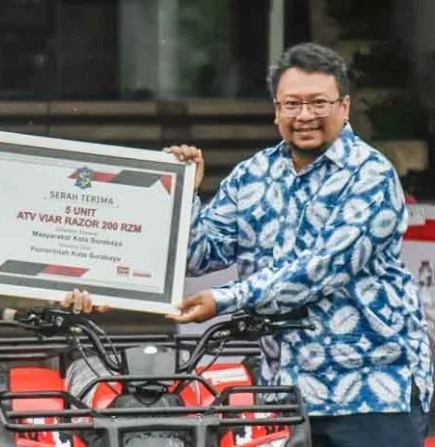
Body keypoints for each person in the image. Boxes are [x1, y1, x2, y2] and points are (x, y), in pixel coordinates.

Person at [61, 42, 433, 447]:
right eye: (292, 104)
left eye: (318, 103)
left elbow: (319, 268)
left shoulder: (371, 175)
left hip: (372, 391)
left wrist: (224, 299)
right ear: (276, 110)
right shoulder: (253, 175)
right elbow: (198, 254)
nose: (304, 116)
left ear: (344, 107)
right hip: (287, 395)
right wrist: (183, 192)